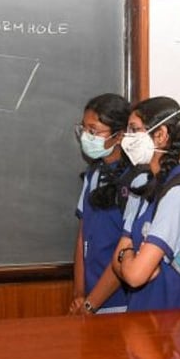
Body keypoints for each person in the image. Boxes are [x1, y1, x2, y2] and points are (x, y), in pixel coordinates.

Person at [111, 96, 180, 311]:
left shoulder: (179, 195)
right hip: (142, 317)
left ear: (161, 135)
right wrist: (129, 258)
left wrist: (128, 256)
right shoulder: (144, 185)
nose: (127, 139)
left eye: (134, 130)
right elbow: (120, 266)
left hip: (174, 327)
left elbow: (135, 276)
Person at [69, 93, 131, 315]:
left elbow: (125, 253)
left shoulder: (135, 181)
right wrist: (79, 294)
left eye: (94, 131)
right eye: (84, 129)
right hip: (88, 300)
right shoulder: (93, 174)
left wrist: (91, 303)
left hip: (120, 302)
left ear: (119, 135)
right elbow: (82, 237)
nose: (87, 136)